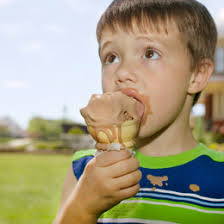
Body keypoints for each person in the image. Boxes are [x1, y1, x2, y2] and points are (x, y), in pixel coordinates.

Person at [54, 0, 224, 223]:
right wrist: (83, 207)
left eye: (150, 53)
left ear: (197, 75)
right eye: (111, 57)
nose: (122, 72)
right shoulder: (86, 170)